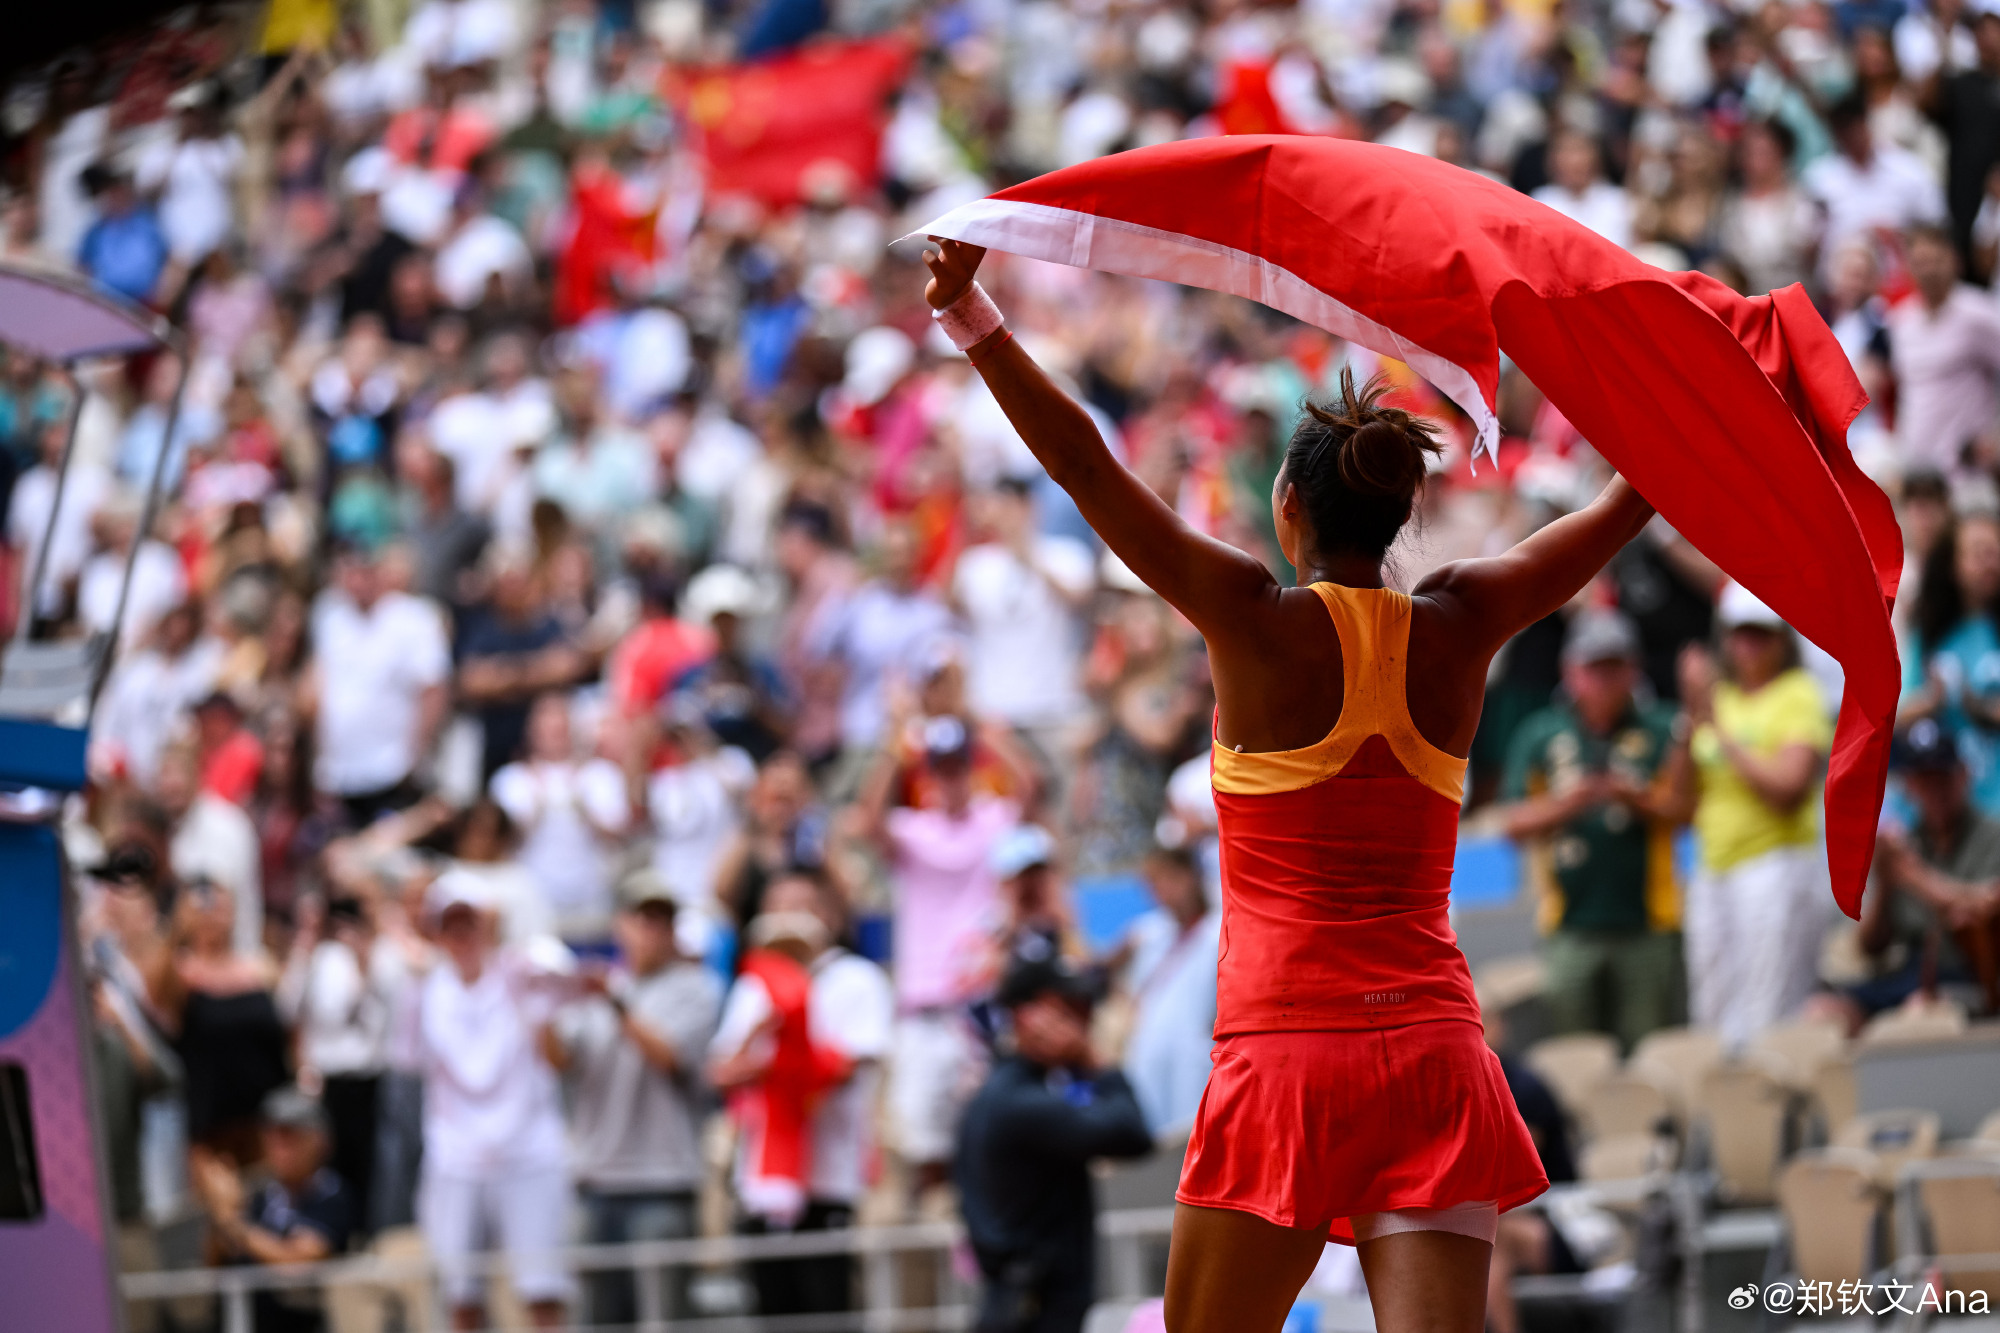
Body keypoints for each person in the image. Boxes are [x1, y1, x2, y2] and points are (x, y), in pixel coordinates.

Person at [923, 237, 1656, 1333]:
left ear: (1287, 509)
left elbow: (1084, 466)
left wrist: (969, 313)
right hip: (1431, 1054)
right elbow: (1617, 506)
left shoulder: (1249, 617)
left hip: (1286, 1059)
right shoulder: (1459, 620)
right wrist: (1718, 395)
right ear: (1401, 516)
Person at [1497, 611, 1690, 1052]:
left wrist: (1635, 799)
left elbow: (1684, 810)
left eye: (1615, 667)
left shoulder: (1664, 728)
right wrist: (1572, 802)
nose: (1605, 680)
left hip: (1650, 922)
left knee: (1651, 1051)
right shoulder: (1540, 733)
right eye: (1594, 669)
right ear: (1571, 672)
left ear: (1633, 670)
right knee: (1576, 1054)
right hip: (1567, 924)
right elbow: (1512, 823)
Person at [543, 870, 722, 1327]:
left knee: (665, 1321)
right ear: (620, 925)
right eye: (641, 917)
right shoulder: (593, 993)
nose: (651, 929)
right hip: (597, 1183)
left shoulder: (695, 989)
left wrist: (615, 1003)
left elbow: (668, 1056)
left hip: (662, 1184)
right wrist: (540, 1007)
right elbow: (560, 1059)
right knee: (597, 1321)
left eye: (661, 919)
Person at [853, 713, 1021, 1190]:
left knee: (989, 1138)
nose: (950, 778)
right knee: (923, 1149)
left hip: (981, 1004)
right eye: (940, 768)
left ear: (971, 768)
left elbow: (1032, 788)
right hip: (923, 1008)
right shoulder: (912, 829)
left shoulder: (995, 818)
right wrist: (895, 741)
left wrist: (986, 727)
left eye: (958, 766)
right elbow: (867, 820)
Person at [955, 956, 1153, 1333]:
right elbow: (1133, 1133)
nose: (1080, 1023)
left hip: (1026, 1301)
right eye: (1066, 1010)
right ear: (1026, 1015)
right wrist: (1095, 1060)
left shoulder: (1007, 1087)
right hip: (1032, 1307)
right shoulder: (1019, 1102)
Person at [412, 870, 573, 1331]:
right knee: (462, 1301)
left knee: (543, 1294)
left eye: (471, 922)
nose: (462, 936)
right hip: (456, 1160)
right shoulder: (425, 990)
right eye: (451, 925)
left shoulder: (528, 969)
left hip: (529, 1155)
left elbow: (558, 1048)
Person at [1679, 583, 1835, 1050]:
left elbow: (1788, 787)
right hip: (1713, 866)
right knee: (1711, 1011)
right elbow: (1682, 798)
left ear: (1782, 640)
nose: (1749, 645)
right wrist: (1690, 715)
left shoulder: (1798, 693)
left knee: (1771, 1010)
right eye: (1740, 634)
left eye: (1760, 635)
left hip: (1776, 863)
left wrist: (1719, 731)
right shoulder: (1717, 697)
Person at [1851, 720, 2000, 1018]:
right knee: (1827, 1009)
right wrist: (1886, 882)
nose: (1935, 791)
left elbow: (1986, 906)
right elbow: (1871, 946)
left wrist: (1914, 877)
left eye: (1942, 778)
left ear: (1963, 776)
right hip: (1910, 971)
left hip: (1971, 975)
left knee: (1918, 1012)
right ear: (1910, 786)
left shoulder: (1992, 836)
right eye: (1925, 780)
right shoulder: (1905, 844)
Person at [308, 542, 451, 826]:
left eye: (365, 571)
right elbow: (320, 690)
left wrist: (415, 759)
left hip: (391, 771)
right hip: (339, 774)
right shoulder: (330, 616)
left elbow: (433, 690)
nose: (358, 580)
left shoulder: (413, 618)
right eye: (349, 572)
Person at [193, 1088, 354, 1333]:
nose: (279, 1148)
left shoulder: (333, 1194)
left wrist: (232, 1221)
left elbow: (296, 1265)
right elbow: (214, 1269)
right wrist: (219, 1210)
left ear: (320, 1142)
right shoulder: (257, 1195)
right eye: (272, 1137)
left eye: (290, 1136)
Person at [1119, 843, 1221, 1135]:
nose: (1160, 891)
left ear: (1189, 877)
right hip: (1149, 1063)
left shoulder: (1219, 932)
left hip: (1196, 1066)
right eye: (1152, 883)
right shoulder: (1152, 935)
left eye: (1165, 879)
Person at [1887, 224, 2000, 477]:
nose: (1929, 271)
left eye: (1936, 260)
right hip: (1918, 472)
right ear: (1908, 268)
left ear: (1954, 261)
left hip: (1967, 472)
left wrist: (1995, 435)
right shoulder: (1900, 320)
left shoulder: (1978, 313)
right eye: (1920, 262)